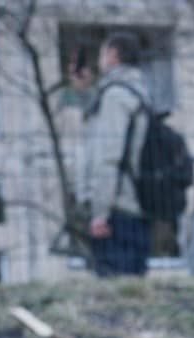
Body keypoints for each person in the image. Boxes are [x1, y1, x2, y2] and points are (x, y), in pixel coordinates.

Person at [75, 33, 152, 276]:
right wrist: (87, 93)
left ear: (113, 54)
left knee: (116, 284)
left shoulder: (115, 96)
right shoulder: (138, 92)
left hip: (116, 209)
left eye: (102, 54)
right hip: (135, 205)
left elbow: (109, 157)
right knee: (133, 290)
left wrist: (100, 213)